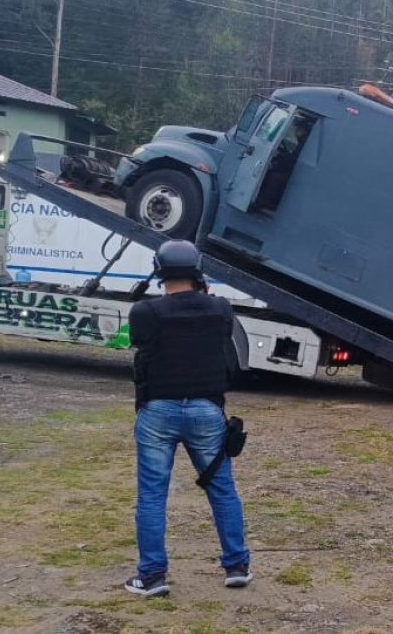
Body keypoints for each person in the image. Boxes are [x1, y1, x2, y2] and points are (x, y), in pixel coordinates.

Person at [124, 240, 252, 597]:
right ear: (198, 271)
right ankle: (237, 565)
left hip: (158, 410)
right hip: (206, 410)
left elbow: (141, 343)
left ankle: (152, 576)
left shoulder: (146, 311)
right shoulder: (221, 308)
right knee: (222, 489)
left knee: (152, 496)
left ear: (159, 270)